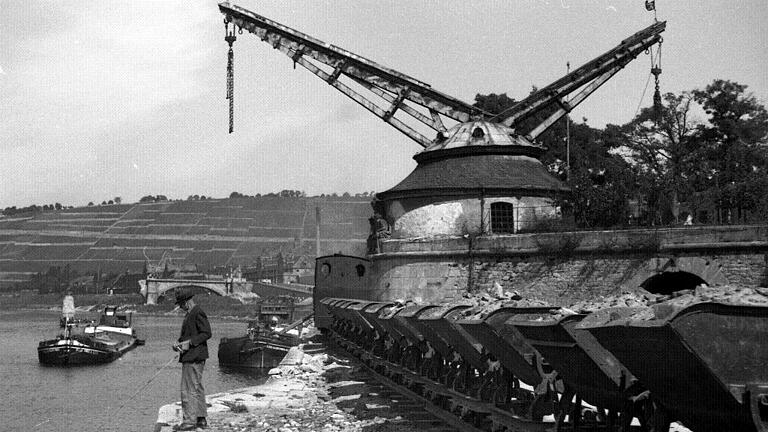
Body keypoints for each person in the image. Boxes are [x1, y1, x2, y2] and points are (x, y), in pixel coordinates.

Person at [172, 289, 212, 431]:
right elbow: (190, 334)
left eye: (181, 305)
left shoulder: (197, 312)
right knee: (197, 388)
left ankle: (189, 421)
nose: (180, 308)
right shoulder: (191, 313)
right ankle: (200, 419)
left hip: (194, 357)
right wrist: (179, 343)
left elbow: (207, 333)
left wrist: (189, 343)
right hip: (191, 356)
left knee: (188, 389)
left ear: (187, 302)